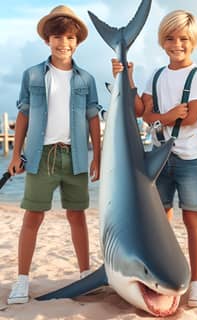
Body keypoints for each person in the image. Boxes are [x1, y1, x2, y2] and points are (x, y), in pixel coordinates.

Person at [113, 10, 197, 308]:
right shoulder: (154, 75)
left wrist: (159, 118)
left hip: (189, 159)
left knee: (193, 222)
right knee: (160, 223)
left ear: (192, 41)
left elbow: (192, 118)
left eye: (183, 39)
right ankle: (162, 272)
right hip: (158, 160)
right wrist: (126, 77)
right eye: (170, 38)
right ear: (161, 41)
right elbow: (142, 112)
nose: (176, 44)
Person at [7, 5, 101, 304]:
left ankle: (85, 274)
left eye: (71, 38)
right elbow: (23, 115)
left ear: (78, 41)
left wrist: (97, 156)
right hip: (40, 156)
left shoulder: (86, 79)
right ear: (48, 39)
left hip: (74, 157)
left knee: (77, 216)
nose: (64, 43)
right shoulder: (33, 74)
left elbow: (93, 119)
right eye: (58, 37)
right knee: (32, 216)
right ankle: (22, 280)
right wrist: (15, 154)